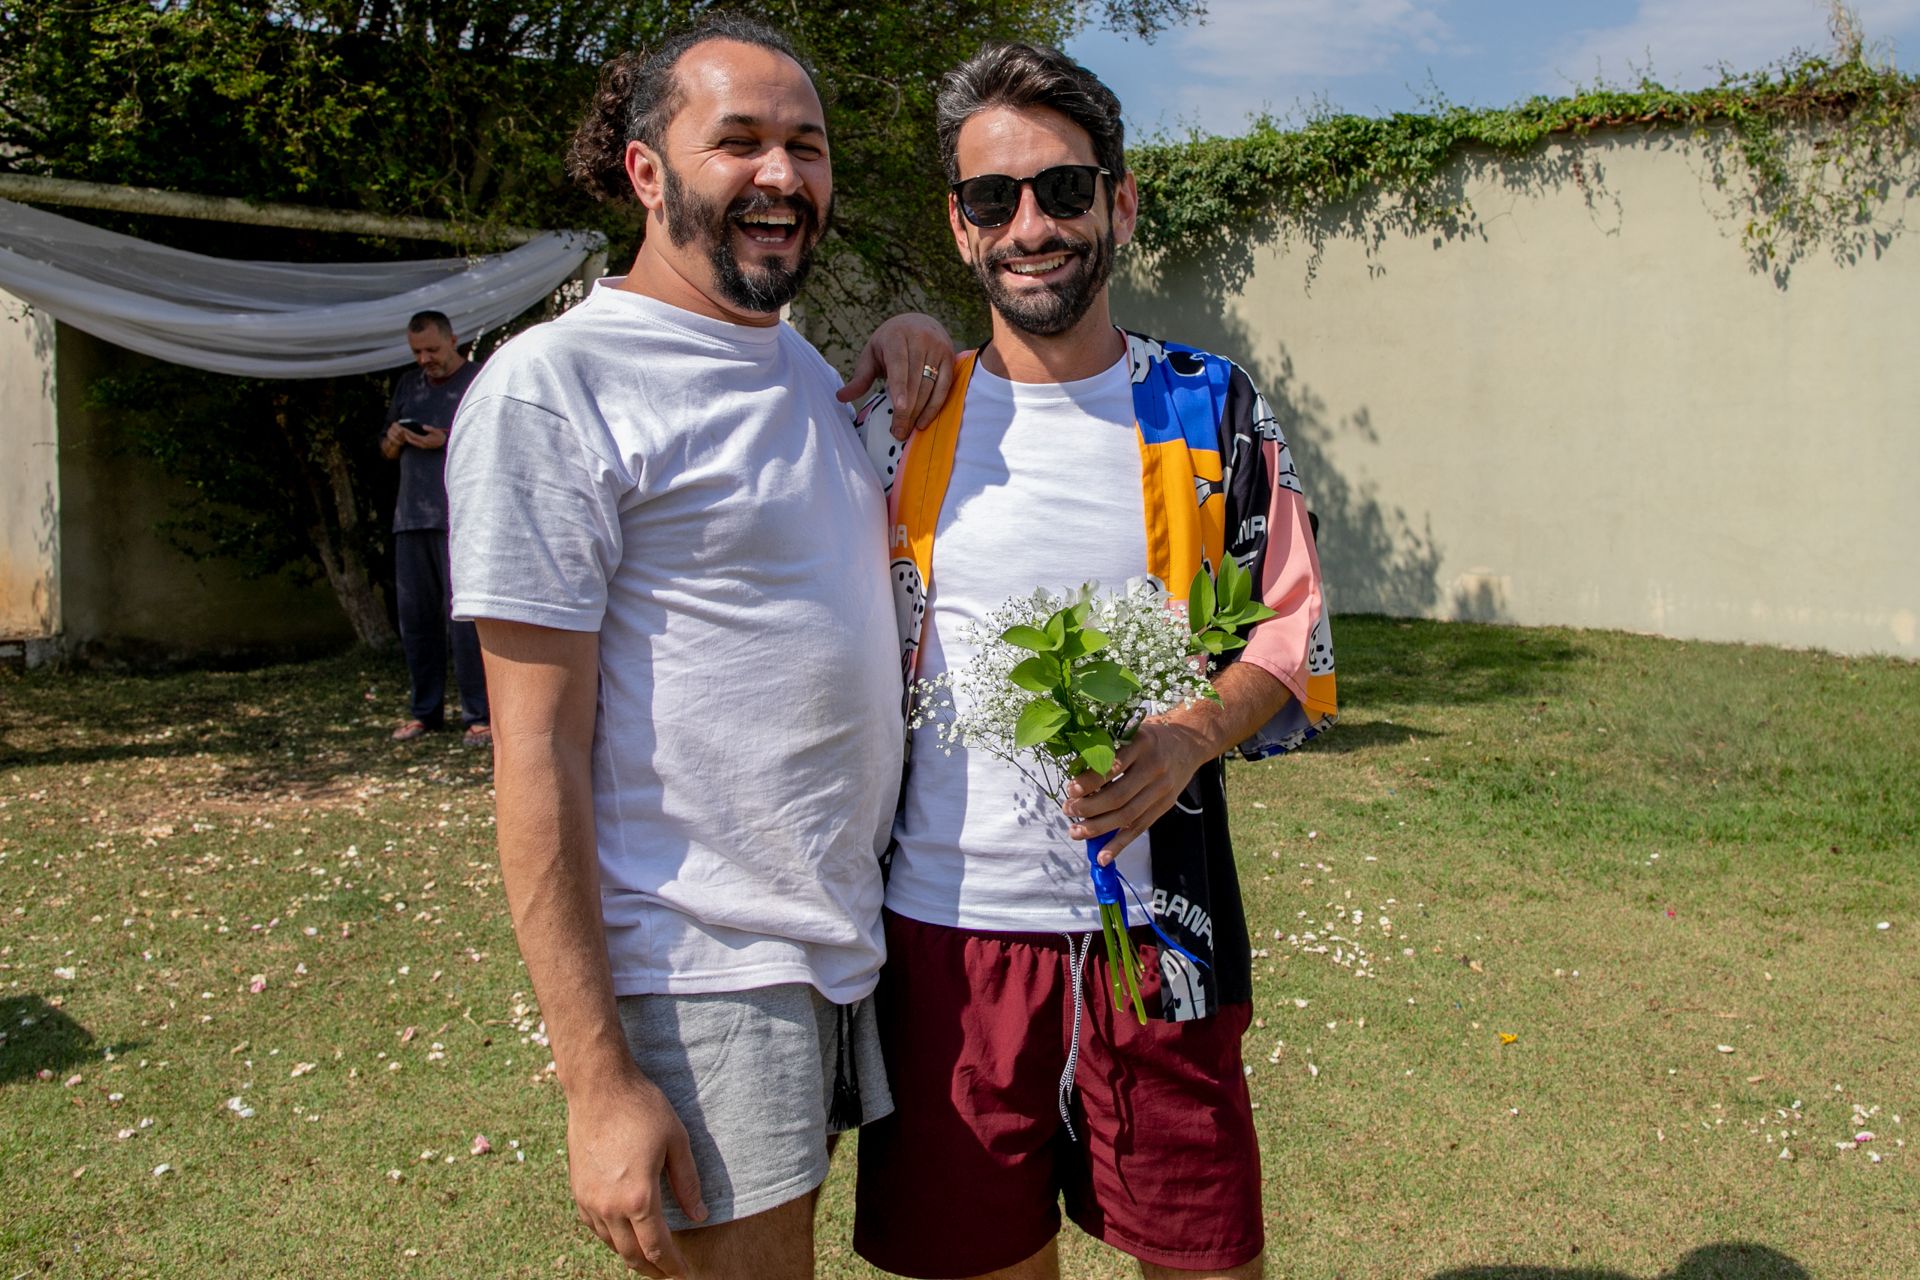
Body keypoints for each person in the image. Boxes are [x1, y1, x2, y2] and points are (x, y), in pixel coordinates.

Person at [443, 16, 955, 1280]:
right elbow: (535, 750)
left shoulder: (809, 379)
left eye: (808, 147)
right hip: (695, 961)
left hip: (836, 939)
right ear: (646, 170)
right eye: (739, 141)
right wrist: (597, 1076)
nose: (782, 175)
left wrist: (913, 331)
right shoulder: (555, 386)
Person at [851, 43, 1338, 1280]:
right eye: (992, 199)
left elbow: (1292, 630)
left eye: (1065, 191)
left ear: (1121, 202)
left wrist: (1187, 735)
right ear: (958, 229)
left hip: (1164, 933)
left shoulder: (1210, 407)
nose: (1031, 225)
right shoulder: (898, 426)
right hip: (947, 947)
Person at [380, 310, 490, 746]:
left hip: (463, 518)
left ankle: (478, 715)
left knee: (464, 620)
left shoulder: (479, 380)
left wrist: (446, 440)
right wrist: (394, 439)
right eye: (417, 352)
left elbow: (495, 438)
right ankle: (423, 712)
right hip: (411, 519)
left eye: (432, 350)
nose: (425, 359)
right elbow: (385, 452)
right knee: (417, 621)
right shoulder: (409, 386)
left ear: (453, 341)